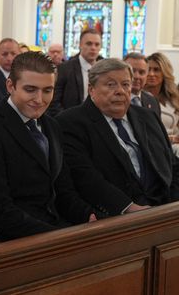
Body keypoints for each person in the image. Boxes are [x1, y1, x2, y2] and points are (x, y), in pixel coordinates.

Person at [0, 52, 96, 240]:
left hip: (57, 227)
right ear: (10, 86)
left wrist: (89, 216)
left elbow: (63, 189)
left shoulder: (52, 125)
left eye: (47, 90)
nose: (39, 99)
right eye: (30, 89)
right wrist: (58, 236)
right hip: (18, 239)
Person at [57, 58, 179, 216]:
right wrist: (127, 207)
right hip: (116, 217)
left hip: (164, 210)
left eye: (126, 84)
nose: (120, 90)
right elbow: (84, 176)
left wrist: (173, 204)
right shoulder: (70, 122)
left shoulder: (147, 117)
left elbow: (172, 164)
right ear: (91, 89)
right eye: (111, 84)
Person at [49, 28, 102, 116]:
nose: (93, 48)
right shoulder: (64, 68)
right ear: (80, 45)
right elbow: (54, 101)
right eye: (89, 44)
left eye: (97, 44)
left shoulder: (104, 70)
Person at [144, 52, 179, 148]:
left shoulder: (173, 97)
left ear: (164, 73)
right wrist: (172, 139)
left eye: (156, 70)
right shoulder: (139, 97)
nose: (151, 74)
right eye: (148, 70)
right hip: (156, 147)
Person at [123, 53, 160, 118]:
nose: (136, 76)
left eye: (141, 72)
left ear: (146, 76)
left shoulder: (152, 101)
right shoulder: (115, 99)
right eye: (132, 71)